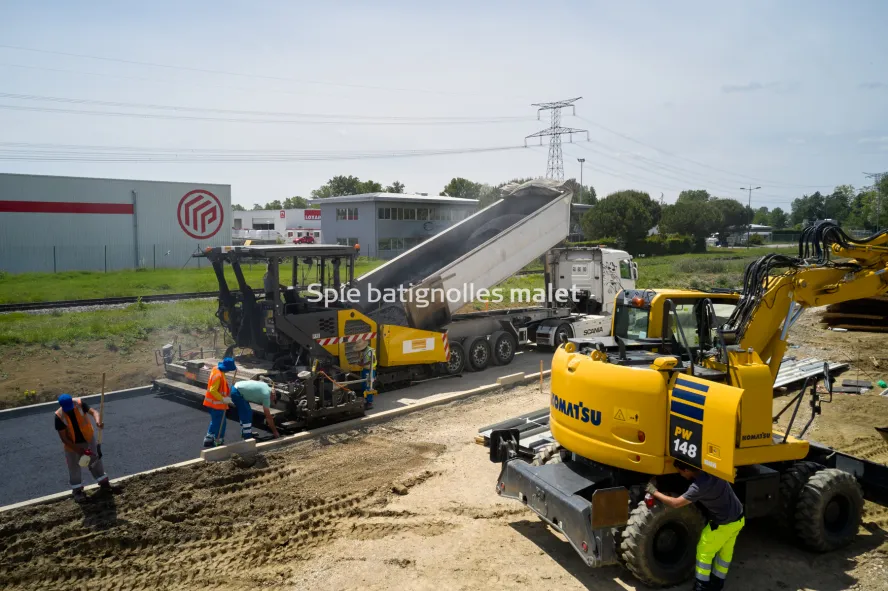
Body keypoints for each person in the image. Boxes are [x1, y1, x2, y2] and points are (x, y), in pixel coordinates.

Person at [647, 460, 745, 591]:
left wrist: (654, 491)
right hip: (738, 518)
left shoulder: (699, 487)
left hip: (723, 524)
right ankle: (717, 583)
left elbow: (676, 503)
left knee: (704, 552)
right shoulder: (713, 470)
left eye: (680, 472)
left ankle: (701, 586)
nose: (680, 475)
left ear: (687, 470)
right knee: (725, 553)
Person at [54, 394, 122, 503]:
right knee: (74, 468)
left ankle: (104, 484)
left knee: (95, 461)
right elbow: (64, 439)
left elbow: (94, 412)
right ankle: (77, 491)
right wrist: (78, 450)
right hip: (72, 445)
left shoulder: (80, 404)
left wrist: (98, 421)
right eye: (67, 409)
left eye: (70, 407)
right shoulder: (59, 416)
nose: (69, 410)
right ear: (61, 406)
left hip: (88, 440)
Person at [203, 357, 236, 448]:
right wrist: (223, 399)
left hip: (211, 403)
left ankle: (209, 438)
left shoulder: (216, 369)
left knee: (215, 421)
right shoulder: (219, 376)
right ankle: (218, 440)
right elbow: (213, 390)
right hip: (216, 404)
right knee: (221, 422)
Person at [354, 340, 377, 409]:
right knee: (364, 385)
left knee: (368, 386)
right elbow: (364, 358)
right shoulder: (364, 351)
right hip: (365, 369)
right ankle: (366, 400)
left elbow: (373, 360)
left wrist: (362, 364)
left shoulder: (370, 351)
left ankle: (369, 402)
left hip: (370, 370)